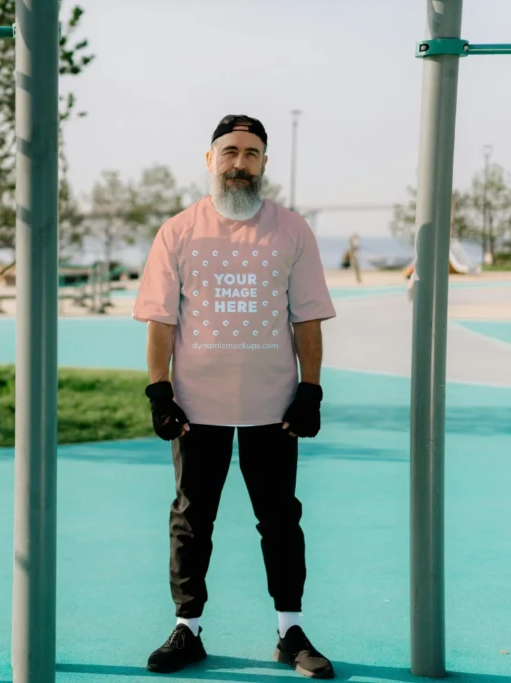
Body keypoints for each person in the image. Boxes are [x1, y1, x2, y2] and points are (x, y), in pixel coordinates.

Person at [132, 114, 337, 678]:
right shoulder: (178, 231)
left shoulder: (292, 230)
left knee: (280, 520)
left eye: (251, 152)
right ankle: (187, 629)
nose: (240, 162)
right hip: (198, 410)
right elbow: (160, 320)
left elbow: (309, 318)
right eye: (229, 152)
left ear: (264, 161)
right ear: (210, 160)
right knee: (192, 519)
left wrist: (310, 390)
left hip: (273, 408)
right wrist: (159, 391)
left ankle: (290, 631)